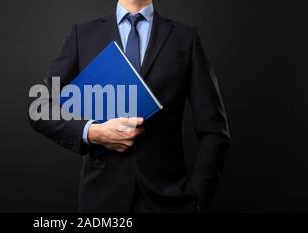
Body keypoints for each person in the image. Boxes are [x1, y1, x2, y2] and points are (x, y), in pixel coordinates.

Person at [30, 0, 230, 213]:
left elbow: (214, 131)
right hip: (101, 200)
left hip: (169, 200)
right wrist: (94, 132)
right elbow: (39, 108)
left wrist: (197, 198)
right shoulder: (83, 35)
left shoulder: (185, 38)